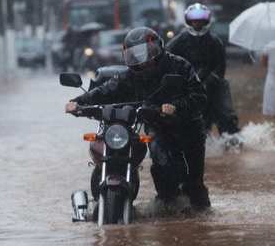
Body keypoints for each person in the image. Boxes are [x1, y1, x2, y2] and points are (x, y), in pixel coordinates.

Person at [64, 27, 211, 210]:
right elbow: (106, 90)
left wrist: (176, 107)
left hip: (188, 128)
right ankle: (166, 205)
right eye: (133, 56)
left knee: (194, 184)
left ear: (157, 48)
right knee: (162, 165)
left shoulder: (180, 66)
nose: (140, 61)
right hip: (158, 126)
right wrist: (78, 102)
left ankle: (200, 219)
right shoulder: (129, 75)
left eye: (144, 53)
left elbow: (200, 97)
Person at [167, 3, 241, 136]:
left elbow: (221, 67)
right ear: (189, 21)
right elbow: (167, 62)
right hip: (185, 85)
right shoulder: (177, 42)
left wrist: (209, 79)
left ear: (206, 21)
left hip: (212, 83)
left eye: (200, 20)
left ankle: (232, 139)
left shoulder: (215, 41)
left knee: (226, 115)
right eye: (194, 20)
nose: (197, 23)